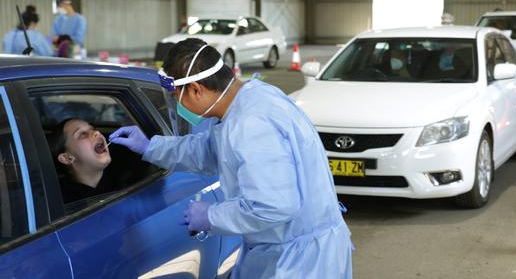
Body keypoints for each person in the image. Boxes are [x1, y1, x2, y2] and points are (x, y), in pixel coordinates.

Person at [109, 39, 353, 278]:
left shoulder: (251, 124)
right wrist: (151, 146)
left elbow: (274, 206)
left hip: (299, 261)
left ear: (195, 89)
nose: (177, 105)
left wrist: (211, 216)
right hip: (286, 248)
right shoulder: (251, 99)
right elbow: (209, 151)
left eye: (176, 97)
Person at [49, 119, 113, 204]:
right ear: (67, 158)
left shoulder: (123, 177)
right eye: (82, 134)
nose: (97, 132)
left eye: (93, 129)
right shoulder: (63, 204)